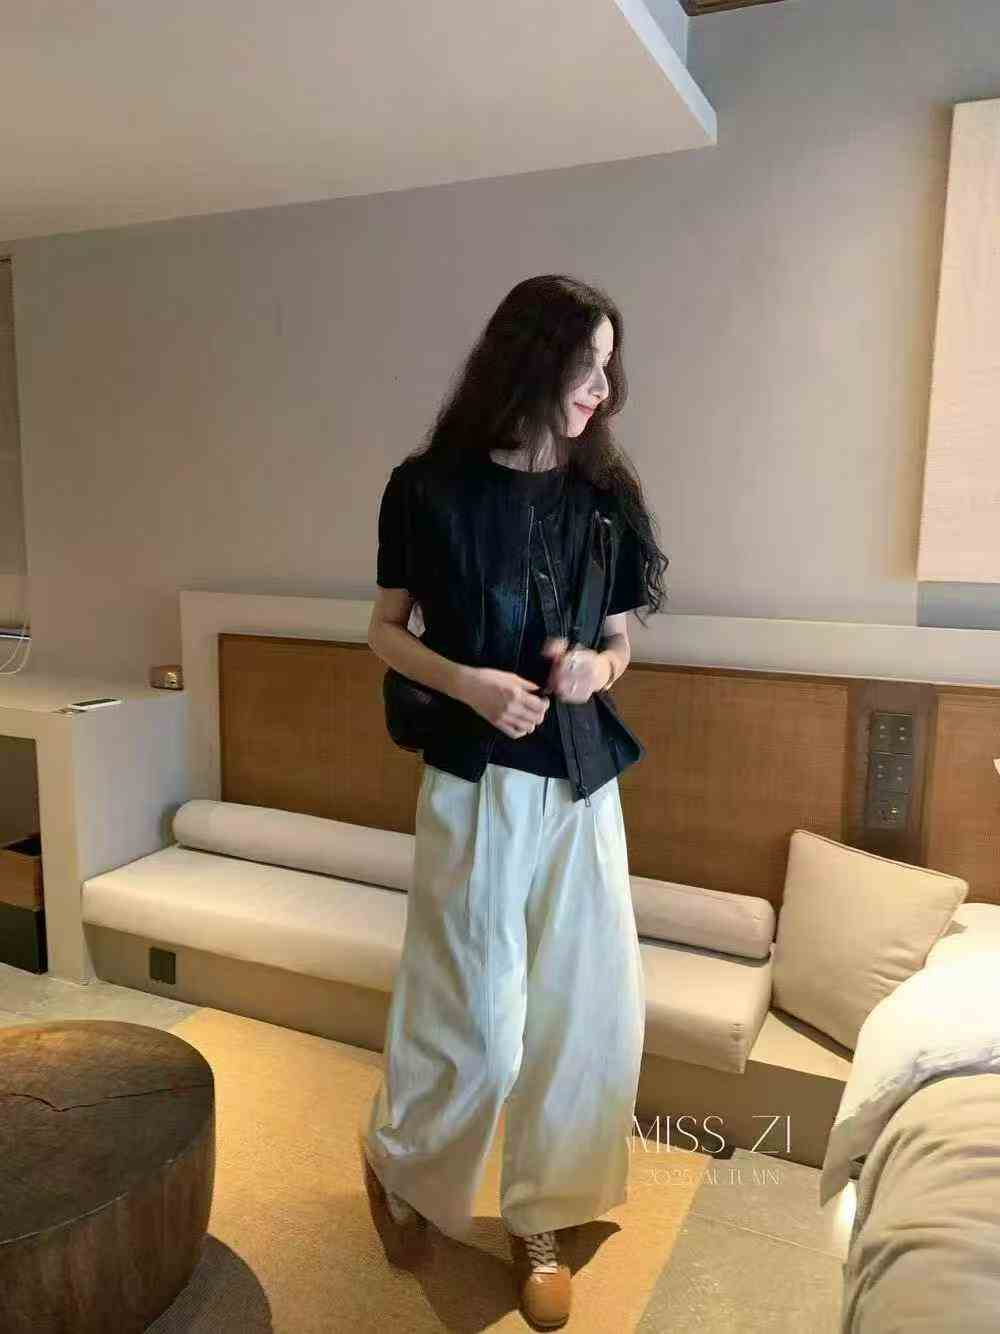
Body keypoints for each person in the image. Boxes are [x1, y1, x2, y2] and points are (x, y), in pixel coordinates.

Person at [359, 274, 670, 1328]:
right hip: (474, 777)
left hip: (580, 783)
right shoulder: (427, 489)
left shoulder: (603, 497)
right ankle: (400, 1162)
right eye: (586, 367)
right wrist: (468, 682)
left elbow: (621, 643)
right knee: (474, 1023)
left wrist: (597, 668)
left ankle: (543, 1212)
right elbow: (383, 630)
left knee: (587, 1011)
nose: (602, 389)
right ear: (530, 363)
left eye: (608, 368)